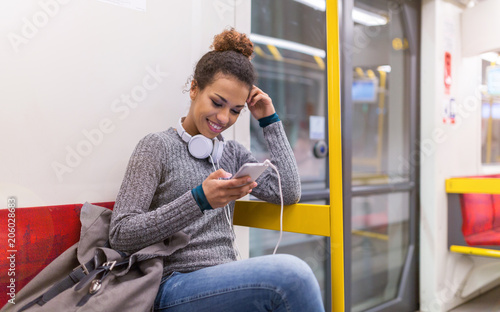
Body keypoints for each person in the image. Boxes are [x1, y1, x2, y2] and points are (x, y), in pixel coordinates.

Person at [109, 28, 324, 312]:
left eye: (235, 110)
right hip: (171, 285)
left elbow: (289, 191)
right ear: (195, 88)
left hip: (222, 283)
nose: (223, 118)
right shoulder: (156, 146)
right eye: (217, 103)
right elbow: (121, 234)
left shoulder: (230, 153)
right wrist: (199, 199)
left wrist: (269, 120)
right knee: (290, 276)